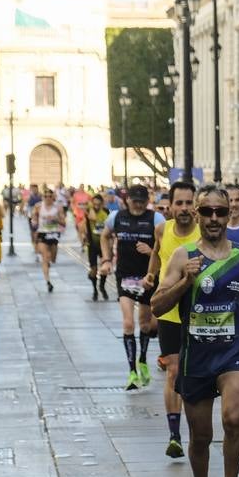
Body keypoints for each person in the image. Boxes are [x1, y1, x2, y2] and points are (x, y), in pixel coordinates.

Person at [150, 184, 239, 477]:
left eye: (221, 212)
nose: (215, 218)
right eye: (208, 212)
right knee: (201, 436)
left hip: (235, 352)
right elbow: (157, 305)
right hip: (197, 357)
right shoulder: (182, 257)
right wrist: (186, 280)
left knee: (233, 419)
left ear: (229, 214)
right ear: (197, 215)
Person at [149, 180, 200, 457]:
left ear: (196, 205)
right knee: (173, 370)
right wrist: (151, 273)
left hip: (199, 313)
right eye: (178, 202)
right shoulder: (162, 229)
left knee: (194, 373)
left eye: (188, 202)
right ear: (169, 205)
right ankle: (174, 434)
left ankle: (197, 428)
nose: (183, 208)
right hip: (169, 312)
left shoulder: (205, 233)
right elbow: (157, 254)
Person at [99, 184, 166, 389]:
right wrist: (107, 259)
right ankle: (132, 372)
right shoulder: (116, 217)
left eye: (141, 201)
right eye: (134, 200)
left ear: (147, 201)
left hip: (148, 277)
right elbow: (104, 235)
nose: (137, 205)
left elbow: (166, 247)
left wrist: (150, 251)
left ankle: (143, 360)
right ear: (127, 200)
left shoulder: (156, 219)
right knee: (128, 323)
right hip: (125, 276)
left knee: (145, 325)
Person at [32, 189, 65, 292]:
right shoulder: (38, 206)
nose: (47, 198)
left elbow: (63, 222)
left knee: (53, 258)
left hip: (54, 234)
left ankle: (48, 262)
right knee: (45, 257)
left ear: (53, 197)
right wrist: (34, 224)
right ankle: (48, 281)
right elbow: (33, 220)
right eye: (45, 196)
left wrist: (56, 220)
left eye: (49, 196)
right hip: (42, 233)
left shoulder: (58, 208)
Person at [84, 193, 111, 301]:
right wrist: (91, 207)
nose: (96, 206)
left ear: (102, 204)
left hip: (103, 244)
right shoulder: (89, 211)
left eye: (98, 204)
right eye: (94, 204)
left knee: (104, 267)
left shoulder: (106, 212)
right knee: (94, 269)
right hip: (92, 244)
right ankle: (95, 290)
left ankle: (102, 287)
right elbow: (93, 217)